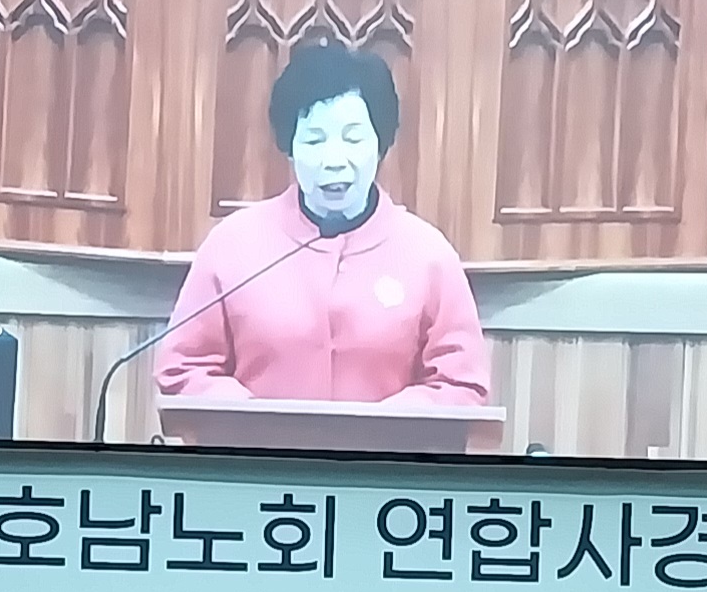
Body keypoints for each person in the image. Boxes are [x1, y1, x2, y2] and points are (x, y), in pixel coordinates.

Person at [151, 41, 493, 420]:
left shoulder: (428, 255)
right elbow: (183, 367)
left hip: (387, 456)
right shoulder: (232, 245)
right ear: (289, 146)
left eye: (353, 138)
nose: (333, 160)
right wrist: (254, 422)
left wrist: (383, 427)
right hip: (255, 454)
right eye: (314, 140)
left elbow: (461, 384)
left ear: (380, 145)